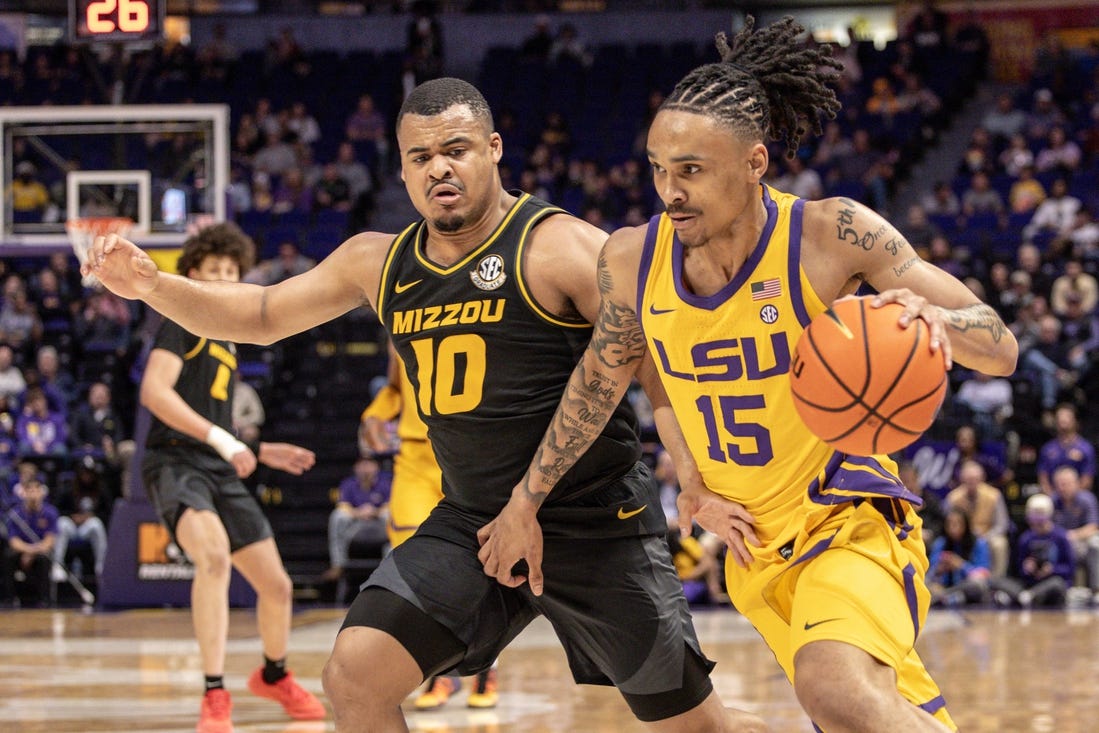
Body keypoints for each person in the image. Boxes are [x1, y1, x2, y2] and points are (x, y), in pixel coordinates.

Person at [83, 78, 768, 733]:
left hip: (594, 526)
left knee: (694, 723)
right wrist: (152, 284)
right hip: (473, 523)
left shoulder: (560, 245)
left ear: (494, 149)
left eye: (456, 150)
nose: (439, 168)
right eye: (421, 157)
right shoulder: (377, 261)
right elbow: (261, 312)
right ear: (405, 172)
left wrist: (693, 476)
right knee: (355, 673)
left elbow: (649, 362)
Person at [479, 17, 1018, 733]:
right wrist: (664, 480)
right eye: (657, 168)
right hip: (752, 551)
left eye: (691, 170)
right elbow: (619, 375)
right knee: (863, 715)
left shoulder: (830, 235)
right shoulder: (631, 260)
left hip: (847, 521)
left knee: (833, 689)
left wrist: (932, 319)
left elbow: (999, 345)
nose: (669, 190)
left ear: (754, 162)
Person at [135, 222, 324, 733]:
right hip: (176, 462)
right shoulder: (181, 322)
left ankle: (274, 674)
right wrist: (225, 441)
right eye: (212, 272)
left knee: (277, 586)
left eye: (230, 273)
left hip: (217, 465)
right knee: (214, 558)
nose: (222, 280)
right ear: (191, 276)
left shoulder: (227, 337)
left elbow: (215, 421)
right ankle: (215, 691)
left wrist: (259, 449)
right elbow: (155, 393)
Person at [357, 341, 500, 710]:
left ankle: (486, 668)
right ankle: (440, 672)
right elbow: (393, 388)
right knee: (416, 570)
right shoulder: (397, 316)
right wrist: (375, 415)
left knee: (480, 564)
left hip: (471, 451)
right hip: (416, 458)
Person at [990, 493, 1073, 608]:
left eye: (1040, 516)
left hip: (1052, 583)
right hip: (1030, 584)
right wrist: (1026, 568)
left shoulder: (1061, 537)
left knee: (1057, 584)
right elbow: (1019, 569)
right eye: (1033, 517)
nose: (1037, 521)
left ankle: (1024, 597)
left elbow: (1069, 569)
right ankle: (1027, 596)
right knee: (997, 581)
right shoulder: (1026, 538)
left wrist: (1052, 570)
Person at [323, 456, 390, 583]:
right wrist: (358, 512)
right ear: (355, 468)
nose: (365, 469)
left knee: (391, 515)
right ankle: (338, 564)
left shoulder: (385, 483)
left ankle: (392, 567)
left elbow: (392, 505)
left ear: (376, 467)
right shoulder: (348, 484)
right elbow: (342, 505)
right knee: (337, 516)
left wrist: (375, 512)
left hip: (380, 527)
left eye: (369, 465)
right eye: (362, 465)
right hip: (356, 528)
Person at [2, 475, 58, 607]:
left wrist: (32, 553)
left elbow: (49, 541)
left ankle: (44, 599)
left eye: (36, 490)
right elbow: (13, 541)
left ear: (41, 492)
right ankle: (10, 598)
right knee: (7, 557)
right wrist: (28, 551)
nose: (33, 493)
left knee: (44, 559)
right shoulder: (16, 514)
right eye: (29, 490)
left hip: (39, 551)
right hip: (22, 550)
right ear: (24, 492)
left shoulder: (50, 512)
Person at [926, 507, 991, 607]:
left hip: (967, 586)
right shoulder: (940, 543)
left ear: (966, 525)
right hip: (943, 587)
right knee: (924, 583)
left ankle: (948, 598)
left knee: (978, 584)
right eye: (950, 524)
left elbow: (983, 573)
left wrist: (961, 565)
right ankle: (950, 597)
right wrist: (939, 569)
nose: (953, 527)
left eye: (957, 523)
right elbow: (930, 574)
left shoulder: (978, 543)